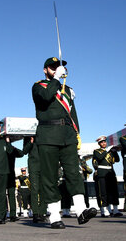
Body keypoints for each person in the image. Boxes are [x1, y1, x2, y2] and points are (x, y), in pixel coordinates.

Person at [32, 57, 97, 229]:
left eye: (58, 67)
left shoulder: (67, 89)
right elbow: (45, 98)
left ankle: (82, 210)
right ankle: (54, 215)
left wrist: (77, 133)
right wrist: (55, 80)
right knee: (50, 176)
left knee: (74, 173)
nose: (56, 69)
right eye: (52, 67)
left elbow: (72, 113)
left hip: (67, 135)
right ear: (45, 69)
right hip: (48, 135)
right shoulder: (39, 86)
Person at [93, 135, 122, 217]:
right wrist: (107, 151)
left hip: (111, 172)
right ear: (99, 144)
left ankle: (115, 210)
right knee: (103, 192)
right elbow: (100, 158)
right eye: (102, 142)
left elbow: (117, 160)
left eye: (104, 142)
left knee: (114, 191)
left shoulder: (110, 151)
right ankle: (104, 210)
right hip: (102, 173)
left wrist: (114, 151)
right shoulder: (97, 151)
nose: (103, 143)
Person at [23, 136, 47, 223]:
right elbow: (24, 151)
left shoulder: (44, 132)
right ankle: (35, 214)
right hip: (33, 165)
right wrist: (31, 142)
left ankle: (42, 212)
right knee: (34, 189)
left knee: (44, 190)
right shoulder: (27, 136)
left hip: (44, 164)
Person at [6, 145, 24, 221]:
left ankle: (13, 214)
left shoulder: (12, 150)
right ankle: (3, 213)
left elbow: (21, 154)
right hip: (2, 174)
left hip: (11, 174)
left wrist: (14, 148)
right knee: (1, 195)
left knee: (12, 195)